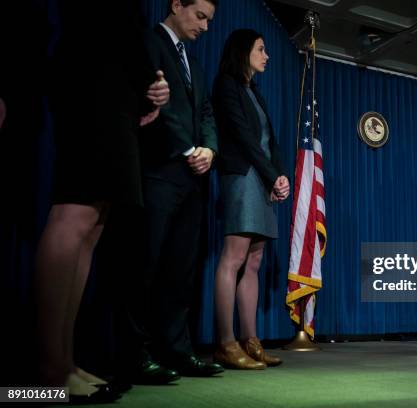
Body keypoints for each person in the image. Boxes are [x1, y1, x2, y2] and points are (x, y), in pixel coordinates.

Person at [34, 1, 170, 402]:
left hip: (113, 84)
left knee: (93, 224)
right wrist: (148, 79)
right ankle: (47, 369)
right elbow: (108, 18)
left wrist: (147, 87)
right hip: (91, 75)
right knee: (74, 213)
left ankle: (64, 362)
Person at [131, 0, 223, 380]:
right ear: (176, 5)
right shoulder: (149, 42)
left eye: (209, 21)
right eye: (200, 16)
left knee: (180, 271)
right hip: (158, 171)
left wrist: (211, 149)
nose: (204, 26)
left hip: (192, 180)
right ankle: (135, 354)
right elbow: (154, 105)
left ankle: (177, 351)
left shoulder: (194, 61)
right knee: (144, 267)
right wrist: (189, 149)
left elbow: (205, 112)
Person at [211, 29, 290, 370]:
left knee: (254, 262)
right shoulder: (226, 85)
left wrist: (279, 175)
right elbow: (243, 137)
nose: (267, 55)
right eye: (261, 49)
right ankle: (225, 343)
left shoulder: (253, 90)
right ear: (243, 51)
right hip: (242, 176)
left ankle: (250, 340)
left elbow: (269, 139)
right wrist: (271, 175)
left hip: (261, 179)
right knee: (234, 257)